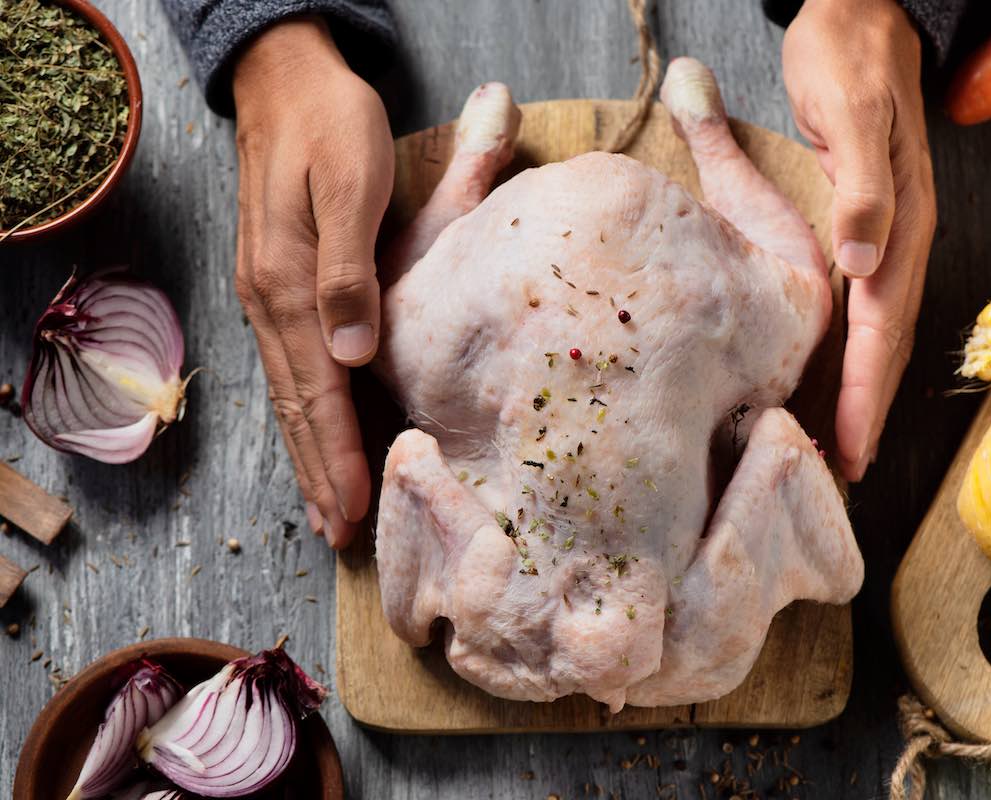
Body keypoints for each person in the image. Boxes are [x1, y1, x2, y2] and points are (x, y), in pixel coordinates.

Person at [163, 0, 950, 548]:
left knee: (392, 336)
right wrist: (268, 39)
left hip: (547, 292)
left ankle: (481, 155)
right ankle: (700, 136)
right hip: (687, 290)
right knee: (805, 301)